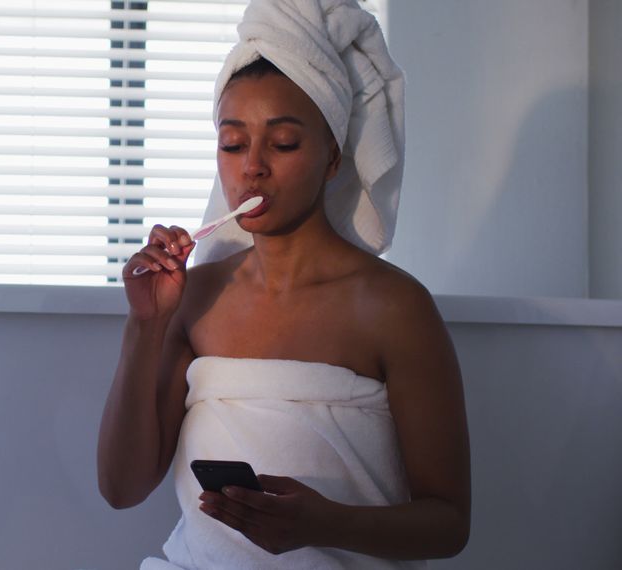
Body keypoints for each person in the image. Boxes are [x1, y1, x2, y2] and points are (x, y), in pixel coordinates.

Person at [96, 1, 470, 568]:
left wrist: (328, 523)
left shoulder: (395, 308)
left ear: (332, 160)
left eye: (284, 142)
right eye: (232, 143)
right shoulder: (194, 299)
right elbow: (121, 489)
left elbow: (448, 524)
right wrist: (144, 326)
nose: (253, 167)